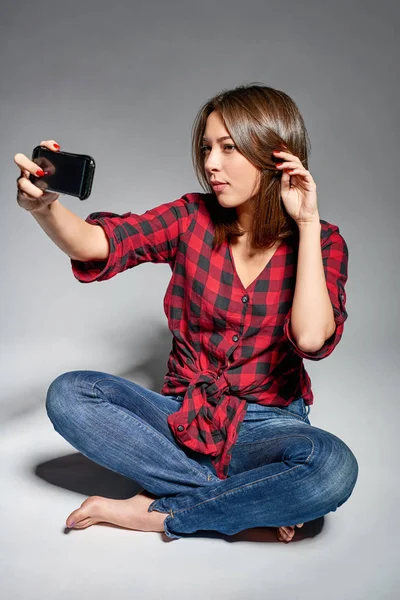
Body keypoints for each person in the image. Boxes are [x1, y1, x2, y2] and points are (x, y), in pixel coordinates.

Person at [14, 83, 358, 543]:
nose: (211, 164)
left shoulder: (323, 241)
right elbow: (100, 243)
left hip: (269, 426)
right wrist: (45, 208)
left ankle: (158, 513)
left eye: (228, 148)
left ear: (275, 155)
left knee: (331, 469)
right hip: (181, 417)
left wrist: (308, 223)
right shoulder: (189, 217)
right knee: (70, 393)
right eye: (207, 148)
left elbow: (312, 338)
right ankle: (244, 500)